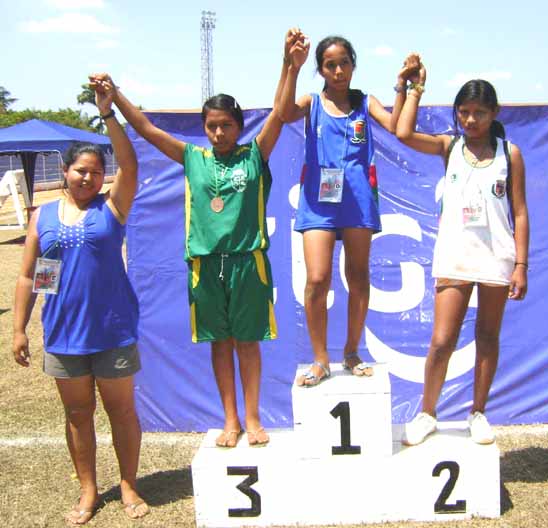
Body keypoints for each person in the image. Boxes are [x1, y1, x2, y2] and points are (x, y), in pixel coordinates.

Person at [89, 30, 295, 449]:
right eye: (212, 126)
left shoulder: (254, 155)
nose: (218, 132)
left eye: (226, 125)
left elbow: (279, 111)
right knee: (219, 344)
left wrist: (289, 64)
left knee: (248, 343)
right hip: (205, 265)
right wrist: (115, 98)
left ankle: (254, 418)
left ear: (238, 126)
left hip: (246, 262)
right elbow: (145, 128)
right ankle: (231, 420)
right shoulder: (192, 158)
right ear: (204, 129)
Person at [12, 80, 148, 524]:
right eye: (79, 170)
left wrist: (108, 113)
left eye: (94, 170)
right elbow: (29, 274)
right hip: (64, 334)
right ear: (65, 171)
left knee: (121, 412)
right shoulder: (42, 215)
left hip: (112, 328)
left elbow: (129, 162)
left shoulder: (113, 207)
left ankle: (128, 484)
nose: (88, 177)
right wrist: (18, 328)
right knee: (77, 413)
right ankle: (88, 491)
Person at [395, 62, 529, 445]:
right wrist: (411, 88)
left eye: (479, 113)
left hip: (497, 258)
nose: (471, 120)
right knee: (441, 340)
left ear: (494, 113)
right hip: (455, 255)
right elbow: (403, 132)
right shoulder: (448, 146)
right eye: (464, 112)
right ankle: (427, 412)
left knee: (488, 337)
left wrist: (520, 264)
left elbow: (519, 212)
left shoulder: (510, 153)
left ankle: (478, 412)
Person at [278, 33, 416, 386]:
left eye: (344, 63)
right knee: (317, 279)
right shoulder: (312, 102)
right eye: (329, 65)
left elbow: (396, 127)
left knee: (358, 278)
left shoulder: (364, 103)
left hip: (357, 200)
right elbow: (281, 113)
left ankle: (352, 352)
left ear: (353, 65)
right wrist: (289, 66)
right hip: (318, 202)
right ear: (321, 70)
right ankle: (320, 358)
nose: (338, 71)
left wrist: (403, 87)